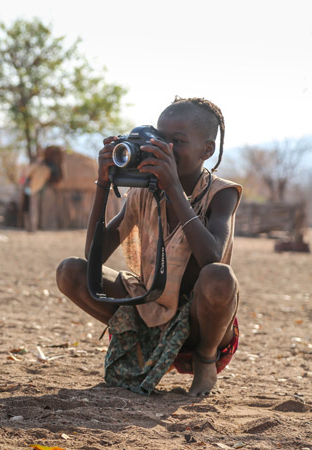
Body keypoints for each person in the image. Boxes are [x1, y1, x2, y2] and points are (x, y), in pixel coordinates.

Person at [55, 97, 242, 397]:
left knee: (220, 277)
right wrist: (103, 184)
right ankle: (141, 339)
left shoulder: (221, 194)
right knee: (70, 271)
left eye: (177, 141)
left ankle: (205, 359)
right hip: (150, 305)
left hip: (201, 321)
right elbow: (93, 258)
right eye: (160, 138)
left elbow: (212, 256)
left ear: (207, 150)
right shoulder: (143, 190)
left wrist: (173, 189)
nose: (164, 147)